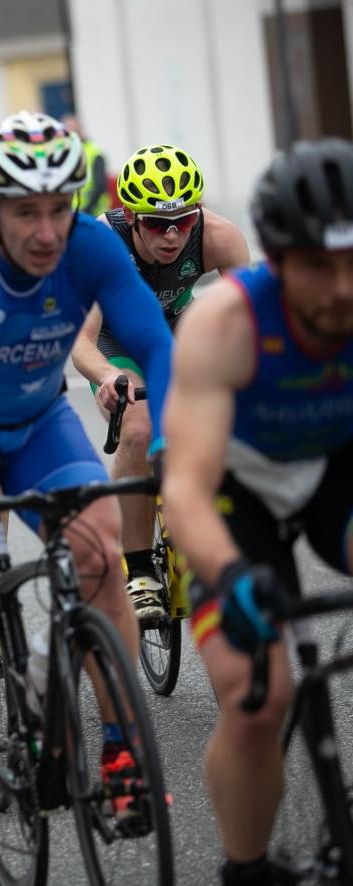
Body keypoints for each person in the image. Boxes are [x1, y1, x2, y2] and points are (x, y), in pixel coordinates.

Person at [0, 111, 173, 795]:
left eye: (60, 209)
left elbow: (158, 345)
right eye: (26, 213)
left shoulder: (93, 250)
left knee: (100, 553)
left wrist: (166, 442)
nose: (47, 232)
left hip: (35, 422)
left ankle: (118, 747)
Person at [162, 138, 353, 886]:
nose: (340, 287)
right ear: (275, 259)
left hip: (333, 470)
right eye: (315, 266)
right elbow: (184, 487)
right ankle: (245, 868)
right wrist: (234, 576)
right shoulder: (225, 324)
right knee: (257, 693)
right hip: (231, 496)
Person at [72, 144, 250, 620]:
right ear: (131, 217)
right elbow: (81, 342)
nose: (172, 236)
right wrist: (109, 376)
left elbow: (256, 321)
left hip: (177, 329)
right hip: (115, 340)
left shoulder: (219, 236)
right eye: (155, 223)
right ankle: (139, 571)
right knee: (138, 426)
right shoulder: (102, 245)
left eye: (183, 222)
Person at [62, 114, 110, 217]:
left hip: (94, 214)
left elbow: (100, 185)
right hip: (74, 213)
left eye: (73, 131)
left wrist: (87, 210)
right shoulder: (66, 153)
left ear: (80, 130)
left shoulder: (94, 152)